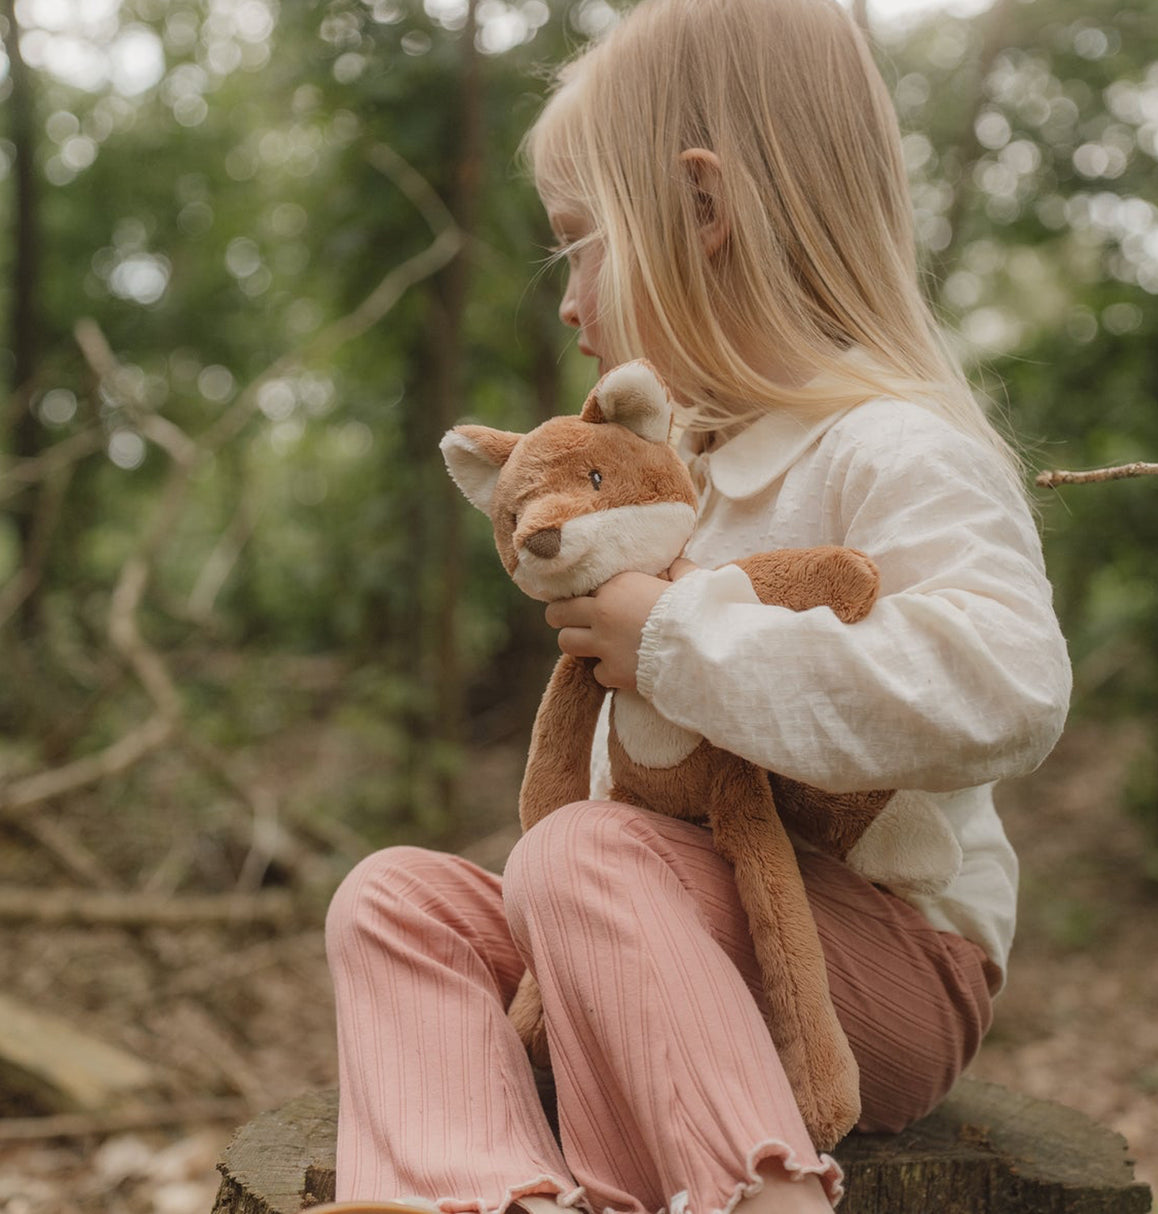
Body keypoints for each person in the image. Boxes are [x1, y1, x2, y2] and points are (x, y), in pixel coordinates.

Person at [321, 0, 1072, 1211]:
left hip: (875, 964)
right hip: (659, 917)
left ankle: (752, 1189)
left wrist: (672, 638)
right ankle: (477, 1190)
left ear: (704, 211)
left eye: (578, 242)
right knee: (397, 895)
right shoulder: (685, 469)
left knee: (578, 851)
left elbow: (1008, 687)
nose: (567, 302)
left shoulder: (888, 445)